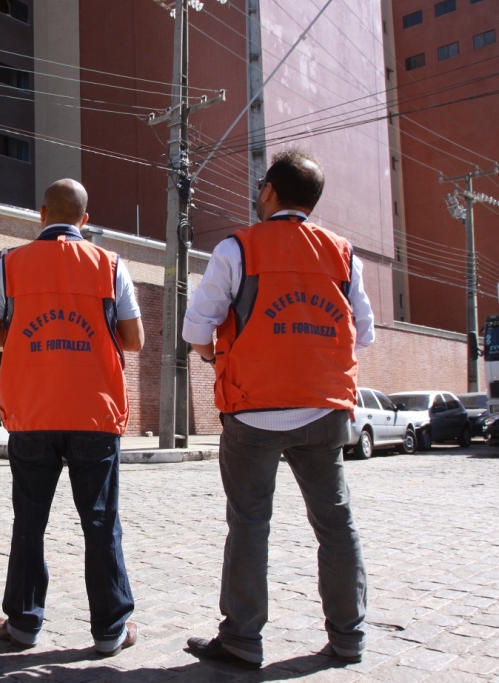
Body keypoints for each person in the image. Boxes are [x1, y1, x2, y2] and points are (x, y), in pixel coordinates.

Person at [181, 149, 374, 669]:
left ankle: (243, 639)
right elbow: (365, 334)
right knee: (336, 523)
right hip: (324, 410)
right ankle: (349, 636)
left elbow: (196, 330)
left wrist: (218, 354)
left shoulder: (237, 247)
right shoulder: (342, 253)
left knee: (249, 524)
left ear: (268, 191)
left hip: (253, 411)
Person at [0, 178, 145, 656]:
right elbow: (134, 340)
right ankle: (111, 630)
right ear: (84, 220)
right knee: (101, 522)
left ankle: (24, 623)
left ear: (42, 214)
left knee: (29, 519)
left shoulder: (10, 264)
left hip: (32, 412)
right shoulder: (110, 266)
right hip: (94, 412)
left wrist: (29, 330)